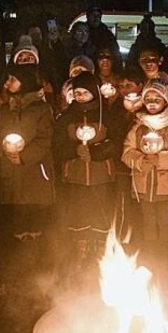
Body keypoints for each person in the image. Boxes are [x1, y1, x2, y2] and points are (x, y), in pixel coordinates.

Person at [53, 72, 122, 263]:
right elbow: (57, 146)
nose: (80, 96)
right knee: (79, 211)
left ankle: (101, 251)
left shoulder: (106, 116)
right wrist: (74, 150)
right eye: (77, 92)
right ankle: (80, 251)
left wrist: (96, 152)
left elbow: (116, 143)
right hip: (75, 177)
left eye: (85, 92)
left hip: (102, 176)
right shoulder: (66, 118)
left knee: (101, 212)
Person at [121, 76, 168, 259]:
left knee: (165, 222)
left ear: (165, 101)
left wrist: (159, 160)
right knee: (148, 222)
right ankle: (151, 256)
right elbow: (127, 152)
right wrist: (141, 161)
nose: (152, 103)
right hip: (144, 186)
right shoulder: (138, 127)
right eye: (149, 100)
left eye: (157, 99)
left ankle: (165, 256)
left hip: (166, 187)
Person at [0, 63, 56, 243]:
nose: (7, 83)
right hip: (12, 170)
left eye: (13, 79)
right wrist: (4, 150)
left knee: (34, 209)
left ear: (25, 82)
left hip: (35, 169)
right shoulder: (6, 109)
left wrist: (24, 156)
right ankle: (18, 246)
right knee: (17, 209)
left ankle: (37, 248)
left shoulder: (40, 109)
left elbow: (45, 138)